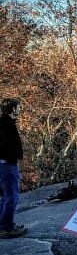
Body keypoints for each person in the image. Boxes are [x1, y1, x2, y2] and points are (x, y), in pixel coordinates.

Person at [0, 98, 27, 239]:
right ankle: (5, 228)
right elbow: (5, 145)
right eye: (18, 107)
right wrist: (13, 158)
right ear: (12, 109)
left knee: (4, 197)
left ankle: (5, 225)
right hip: (7, 165)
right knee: (12, 197)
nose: (20, 109)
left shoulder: (4, 123)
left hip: (3, 164)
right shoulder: (7, 126)